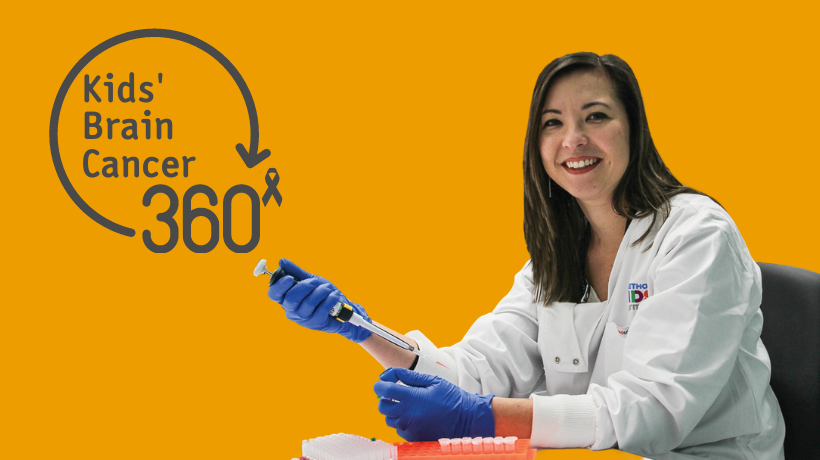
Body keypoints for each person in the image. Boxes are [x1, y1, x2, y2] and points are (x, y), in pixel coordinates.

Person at [267, 52, 786, 459]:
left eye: (596, 116)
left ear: (634, 128)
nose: (573, 139)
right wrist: (360, 327)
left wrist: (481, 419)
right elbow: (472, 375)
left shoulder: (696, 235)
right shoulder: (554, 260)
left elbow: (654, 412)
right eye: (552, 123)